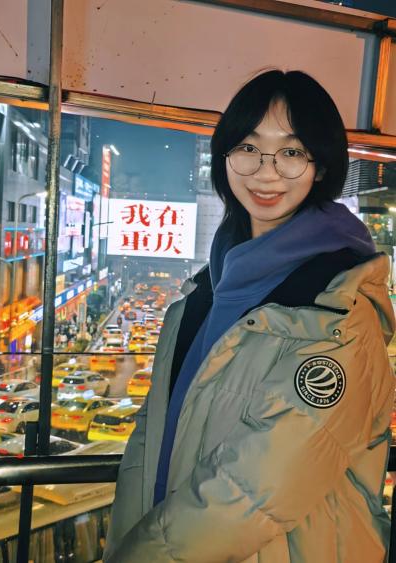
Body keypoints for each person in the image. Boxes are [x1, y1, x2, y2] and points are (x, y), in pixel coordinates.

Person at [103, 70, 395, 563]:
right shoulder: (202, 295)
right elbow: (149, 441)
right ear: (224, 157)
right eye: (248, 147)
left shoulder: (339, 312)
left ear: (321, 166)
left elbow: (255, 490)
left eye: (292, 151)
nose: (266, 172)